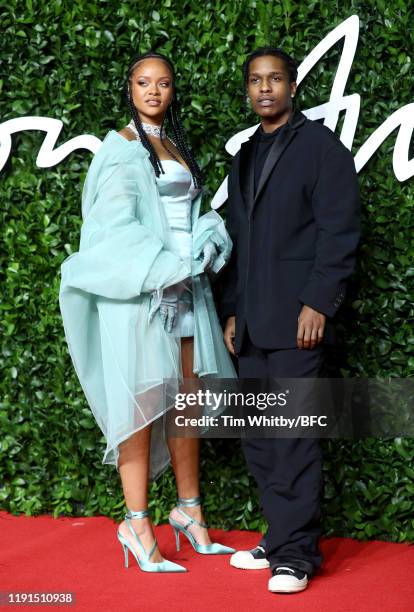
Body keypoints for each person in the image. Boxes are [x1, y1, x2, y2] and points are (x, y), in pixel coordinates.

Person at [59, 51, 236, 574]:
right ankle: (137, 523)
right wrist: (164, 266)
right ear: (130, 89)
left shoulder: (175, 144)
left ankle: (189, 512)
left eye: (162, 83)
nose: (154, 91)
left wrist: (207, 236)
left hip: (189, 286)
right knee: (142, 404)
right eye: (143, 82)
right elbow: (113, 226)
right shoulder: (121, 150)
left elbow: (190, 214)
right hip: (146, 290)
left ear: (172, 90)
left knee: (188, 399)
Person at [220, 47, 360, 593]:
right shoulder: (247, 152)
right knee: (260, 437)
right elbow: (237, 240)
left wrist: (319, 302)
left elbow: (339, 231)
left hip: (298, 319)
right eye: (255, 80)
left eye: (274, 79)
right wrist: (232, 309)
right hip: (252, 322)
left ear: (294, 85)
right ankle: (279, 537)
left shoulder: (323, 149)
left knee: (295, 437)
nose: (264, 88)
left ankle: (296, 556)